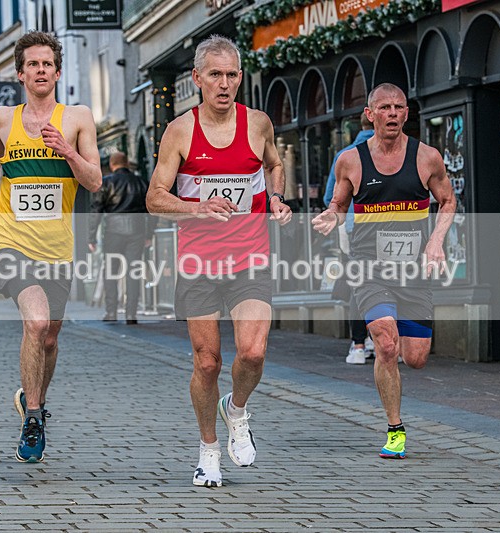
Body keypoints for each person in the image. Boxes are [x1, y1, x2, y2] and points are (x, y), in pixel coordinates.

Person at [146, 35, 292, 487]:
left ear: (240, 78)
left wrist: (278, 199)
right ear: (197, 79)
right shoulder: (180, 131)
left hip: (250, 256)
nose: (224, 84)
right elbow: (154, 198)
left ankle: (238, 409)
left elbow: (273, 165)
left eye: (231, 75)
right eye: (215, 75)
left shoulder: (259, 124)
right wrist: (197, 207)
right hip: (199, 262)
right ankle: (208, 449)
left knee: (253, 351)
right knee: (207, 363)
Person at [0, 30, 102, 463]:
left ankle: (35, 400)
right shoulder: (3, 118)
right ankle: (33, 416)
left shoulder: (78, 117)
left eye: (47, 63)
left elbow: (95, 181)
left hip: (58, 247)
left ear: (57, 71)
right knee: (36, 323)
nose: (41, 70)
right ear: (20, 73)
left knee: (49, 338)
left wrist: (67, 150)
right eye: (33, 64)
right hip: (11, 238)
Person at [312, 83, 456, 459]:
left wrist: (436, 240)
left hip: (413, 273)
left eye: (398, 107)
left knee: (416, 357)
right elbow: (339, 204)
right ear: (370, 114)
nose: (392, 114)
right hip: (368, 268)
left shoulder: (427, 158)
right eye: (384, 108)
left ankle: (398, 378)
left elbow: (447, 200)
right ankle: (395, 429)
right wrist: (331, 216)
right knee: (386, 343)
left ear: (406, 114)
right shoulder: (351, 160)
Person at [323, 114, 375, 364]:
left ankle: (358, 344)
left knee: (358, 285)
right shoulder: (393, 153)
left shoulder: (345, 155)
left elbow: (329, 199)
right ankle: (380, 340)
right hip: (389, 228)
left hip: (353, 229)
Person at [88, 151, 155, 324]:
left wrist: (91, 238)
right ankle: (131, 315)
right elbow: (152, 210)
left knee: (111, 271)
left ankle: (111, 312)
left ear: (112, 165)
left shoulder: (107, 182)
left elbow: (96, 210)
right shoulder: (141, 182)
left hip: (113, 232)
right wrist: (149, 234)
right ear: (127, 163)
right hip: (137, 231)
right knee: (133, 272)